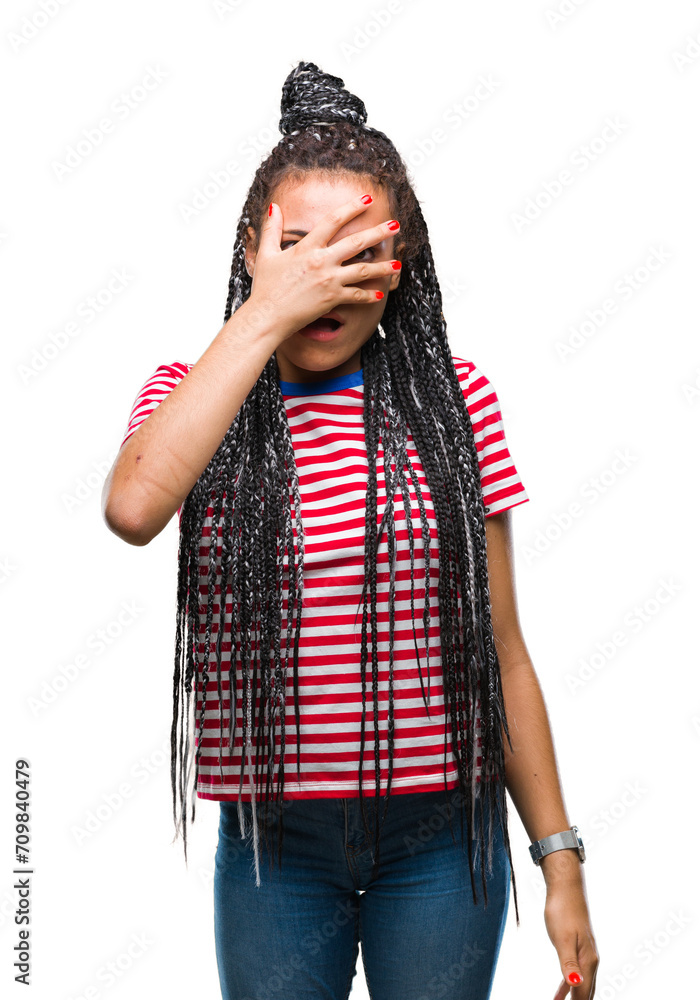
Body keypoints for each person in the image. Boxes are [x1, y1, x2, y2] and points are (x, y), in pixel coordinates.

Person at [102, 61, 599, 1000]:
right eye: (297, 251)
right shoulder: (191, 394)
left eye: (356, 254)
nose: (324, 282)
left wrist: (560, 861)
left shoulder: (456, 406)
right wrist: (267, 312)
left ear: (400, 265)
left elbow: (503, 651)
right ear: (252, 249)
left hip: (444, 840)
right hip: (275, 852)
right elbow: (133, 509)